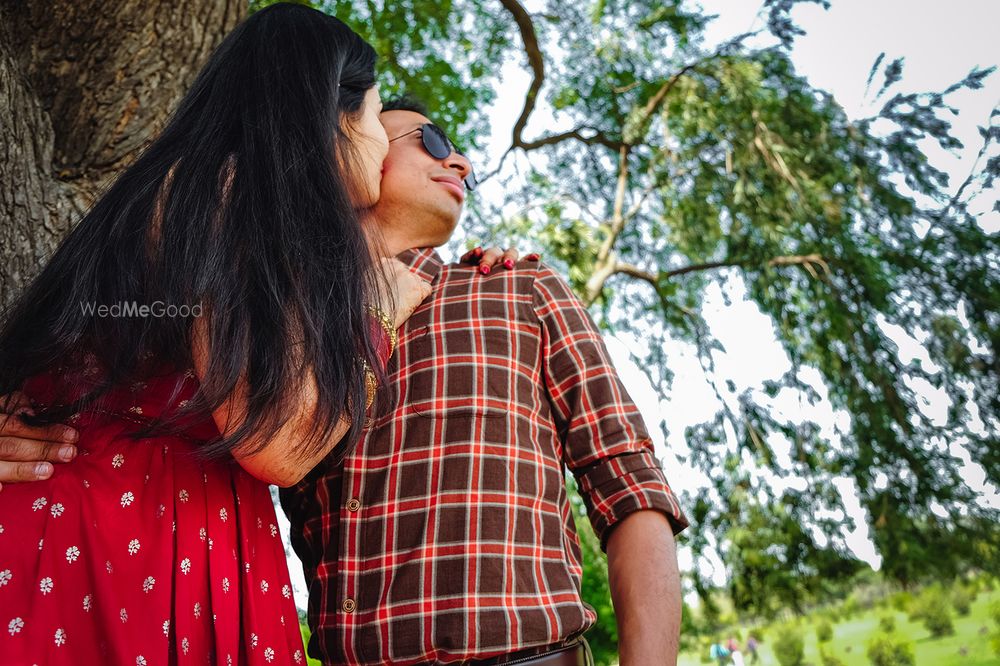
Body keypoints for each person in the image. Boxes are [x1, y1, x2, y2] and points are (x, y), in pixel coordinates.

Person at [0, 5, 512, 664]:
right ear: (330, 111)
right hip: (112, 535)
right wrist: (378, 305)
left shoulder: (234, 208)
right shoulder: (227, 189)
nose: (385, 150)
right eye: (380, 123)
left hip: (184, 528)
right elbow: (278, 443)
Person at [274, 98, 690, 665]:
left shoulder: (522, 289)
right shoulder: (288, 338)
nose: (462, 162)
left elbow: (626, 480)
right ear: (354, 158)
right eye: (432, 140)